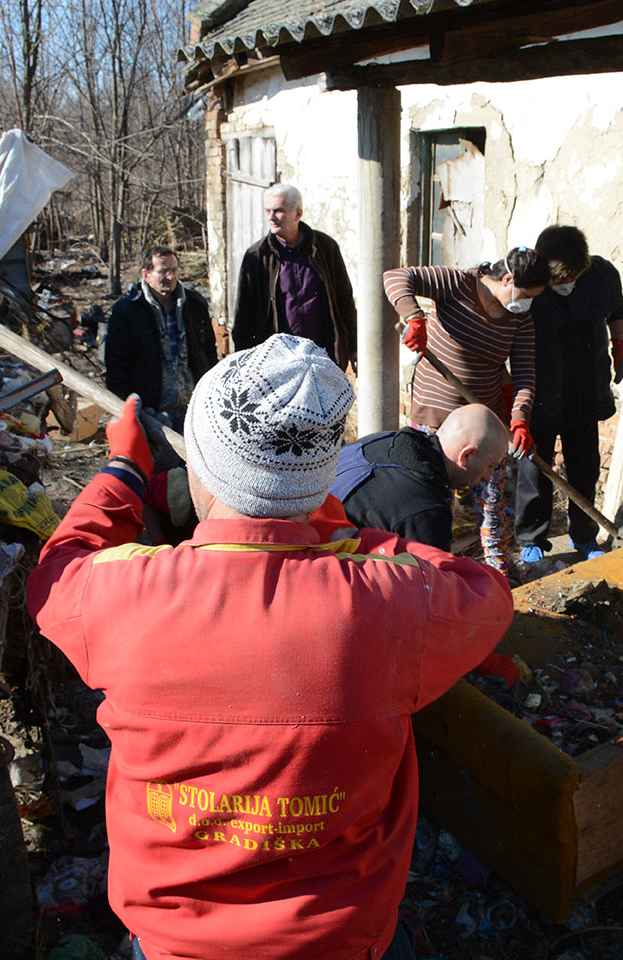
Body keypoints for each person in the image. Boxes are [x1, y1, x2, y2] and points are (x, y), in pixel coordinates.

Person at [27, 335, 514, 960]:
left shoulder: (121, 595)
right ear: (318, 478)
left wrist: (121, 471)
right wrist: (341, 533)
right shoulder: (390, 604)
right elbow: (484, 589)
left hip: (175, 944)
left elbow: (58, 567)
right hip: (344, 939)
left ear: (201, 469)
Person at [383, 248, 551, 575]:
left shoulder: (520, 317)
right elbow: (396, 276)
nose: (528, 302)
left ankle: (498, 575)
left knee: (491, 504)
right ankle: (431, 571)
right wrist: (414, 317)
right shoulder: (457, 283)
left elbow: (525, 375)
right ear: (508, 280)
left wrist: (519, 418)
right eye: (528, 295)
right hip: (436, 418)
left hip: (484, 423)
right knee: (433, 500)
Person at [514, 225, 623, 565]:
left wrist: (619, 344)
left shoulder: (601, 273)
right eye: (559, 280)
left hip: (585, 388)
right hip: (541, 391)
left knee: (585, 467)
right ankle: (532, 538)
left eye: (574, 276)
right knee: (535, 471)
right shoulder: (525, 283)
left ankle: (584, 535)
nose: (568, 284)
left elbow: (617, 308)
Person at [334, 403, 509, 551]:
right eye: (490, 466)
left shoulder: (379, 440)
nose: (488, 477)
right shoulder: (427, 513)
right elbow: (428, 587)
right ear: (467, 455)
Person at [231, 183, 358, 372]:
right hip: (277, 363)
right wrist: (243, 364)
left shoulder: (325, 248)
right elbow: (244, 315)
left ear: (298, 214)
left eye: (278, 211)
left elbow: (344, 300)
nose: (271, 218)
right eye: (268, 211)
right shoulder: (257, 256)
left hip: (323, 357)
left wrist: (354, 349)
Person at [104, 244, 217, 427]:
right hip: (151, 413)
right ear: (146, 274)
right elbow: (116, 366)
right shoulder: (126, 311)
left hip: (193, 409)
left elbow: (209, 352)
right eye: (163, 271)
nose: (170, 277)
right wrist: (127, 409)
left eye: (174, 270)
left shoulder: (194, 304)